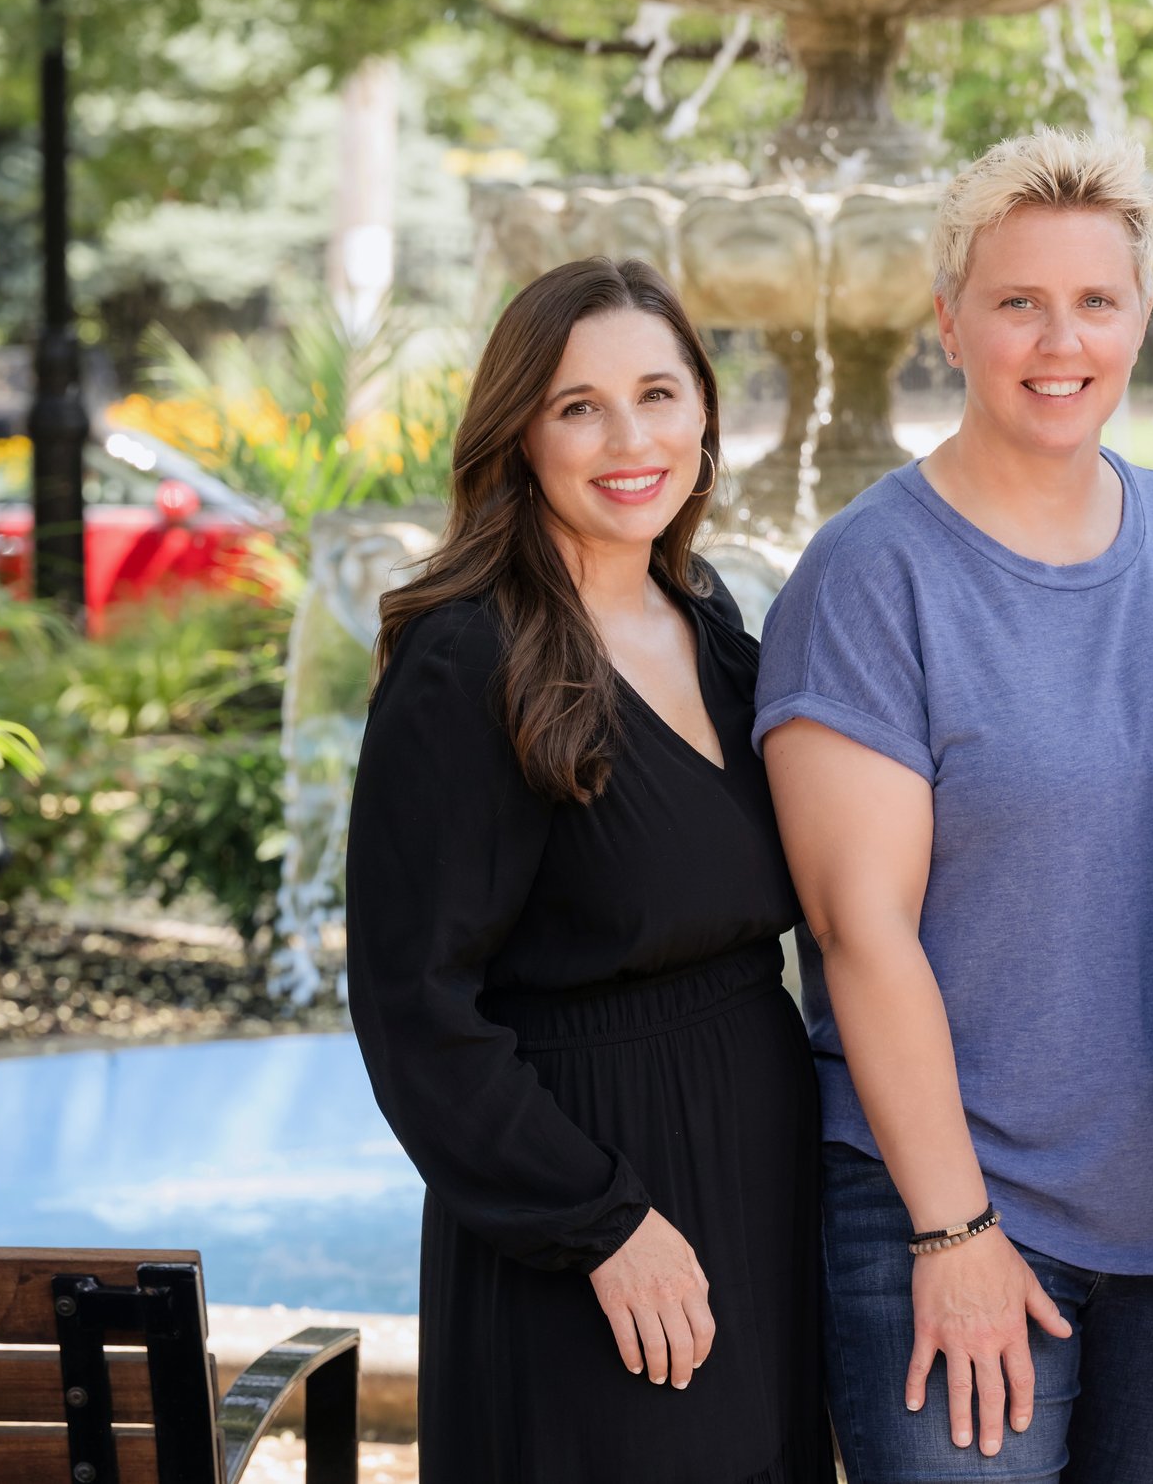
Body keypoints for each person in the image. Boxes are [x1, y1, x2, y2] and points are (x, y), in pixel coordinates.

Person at [756, 128, 1153, 1484]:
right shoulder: (872, 575)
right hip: (961, 1216)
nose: (1063, 340)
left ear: (1142, 316)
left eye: (1097, 300)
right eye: (1018, 302)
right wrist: (952, 1228)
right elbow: (859, 929)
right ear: (948, 321)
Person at [347, 257, 830, 1484]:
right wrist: (601, 1222)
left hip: (755, 1171)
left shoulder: (713, 626)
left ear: (706, 413)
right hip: (584, 1201)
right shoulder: (469, 660)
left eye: (659, 394)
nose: (631, 438)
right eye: (579, 406)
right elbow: (414, 1008)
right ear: (519, 432)